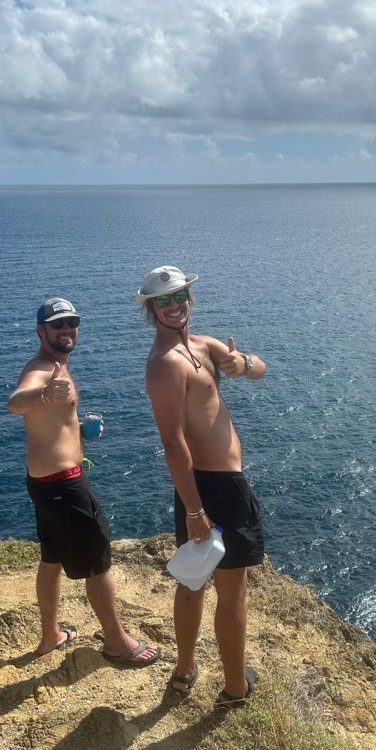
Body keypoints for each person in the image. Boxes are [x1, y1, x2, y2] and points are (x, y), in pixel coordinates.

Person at [137, 266, 266, 708]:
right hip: (214, 488)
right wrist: (194, 511)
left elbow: (259, 369)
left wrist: (241, 364)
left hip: (208, 486)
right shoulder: (165, 365)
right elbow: (172, 442)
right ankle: (234, 688)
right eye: (163, 300)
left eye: (180, 295)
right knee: (230, 590)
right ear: (150, 309)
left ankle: (184, 671)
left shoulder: (203, 345)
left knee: (192, 582)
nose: (175, 305)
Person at [7, 296, 159, 667]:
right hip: (64, 485)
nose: (66, 330)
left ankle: (49, 636)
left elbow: (48, 419)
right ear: (40, 331)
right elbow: (15, 402)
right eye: (57, 325)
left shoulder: (56, 366)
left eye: (71, 323)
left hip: (44, 483)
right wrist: (43, 393)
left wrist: (78, 428)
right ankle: (117, 642)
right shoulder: (43, 370)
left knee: (53, 557)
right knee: (97, 562)